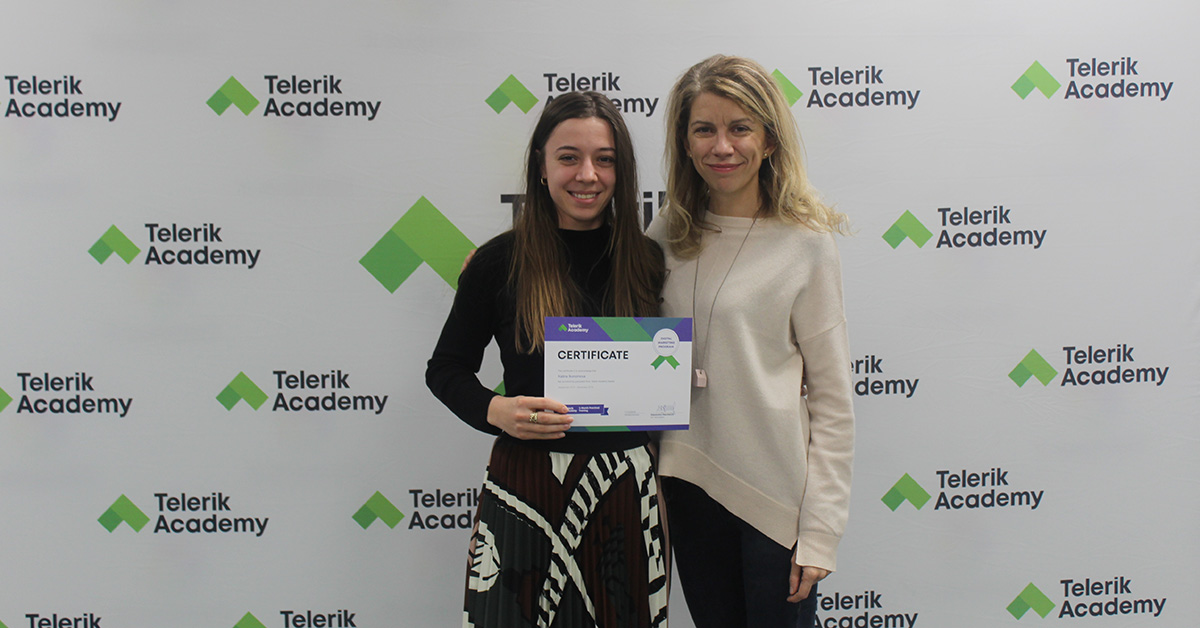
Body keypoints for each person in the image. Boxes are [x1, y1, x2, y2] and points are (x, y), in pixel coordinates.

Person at [426, 91, 667, 628]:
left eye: (604, 159)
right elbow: (445, 369)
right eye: (568, 157)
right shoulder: (498, 262)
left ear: (621, 172)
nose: (587, 174)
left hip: (625, 488)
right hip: (528, 484)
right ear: (540, 166)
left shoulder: (650, 262)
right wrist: (497, 411)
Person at [646, 55, 855, 627]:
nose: (722, 146)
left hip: (774, 504)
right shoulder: (668, 230)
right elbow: (613, 318)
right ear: (684, 142)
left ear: (768, 139)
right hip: (687, 488)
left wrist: (820, 529)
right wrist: (510, 269)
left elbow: (834, 399)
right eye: (704, 129)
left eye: (740, 127)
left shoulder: (806, 243)